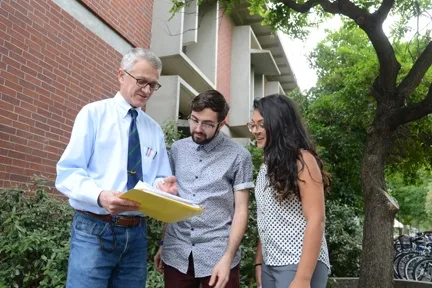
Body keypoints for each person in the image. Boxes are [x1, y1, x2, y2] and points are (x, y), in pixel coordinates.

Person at [55, 48, 177, 288]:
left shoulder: (154, 130)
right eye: (141, 81)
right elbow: (67, 173)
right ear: (121, 75)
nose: (147, 90)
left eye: (153, 85)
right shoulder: (93, 114)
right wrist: (100, 196)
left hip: (136, 234)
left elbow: (157, 178)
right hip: (94, 228)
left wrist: (163, 186)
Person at [153, 90, 255, 288]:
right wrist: (163, 244)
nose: (198, 128)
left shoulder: (239, 156)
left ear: (221, 123)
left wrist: (228, 258)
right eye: (194, 120)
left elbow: (241, 210)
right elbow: (172, 201)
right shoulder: (177, 149)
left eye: (207, 124)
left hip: (217, 253)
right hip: (176, 252)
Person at [248, 95, 331, 288]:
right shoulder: (266, 166)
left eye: (261, 124)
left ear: (279, 124)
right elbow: (267, 218)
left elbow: (316, 220)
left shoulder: (303, 160)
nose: (255, 131)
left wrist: (302, 279)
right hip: (271, 263)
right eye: (253, 125)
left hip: (299, 263)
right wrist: (259, 262)